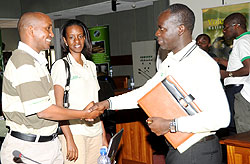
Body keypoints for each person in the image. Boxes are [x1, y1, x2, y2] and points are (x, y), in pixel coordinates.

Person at [90, 3, 230, 164]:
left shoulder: (201, 63)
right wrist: (108, 103)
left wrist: (171, 124)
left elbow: (221, 117)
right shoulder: (171, 60)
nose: (157, 33)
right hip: (178, 149)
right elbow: (146, 92)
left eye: (162, 28)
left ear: (180, 29)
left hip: (197, 152)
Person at [1, 12, 102, 164]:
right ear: (31, 30)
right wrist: (84, 113)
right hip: (29, 148)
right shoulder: (23, 62)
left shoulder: (37, 62)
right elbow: (44, 111)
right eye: (47, 28)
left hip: (47, 145)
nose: (51, 34)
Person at [51, 19, 108, 164]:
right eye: (71, 37)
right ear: (65, 40)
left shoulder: (91, 66)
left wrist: (103, 136)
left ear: (85, 38)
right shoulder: (60, 66)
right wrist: (69, 139)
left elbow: (96, 103)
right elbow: (59, 108)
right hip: (74, 133)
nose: (77, 40)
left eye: (80, 36)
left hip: (95, 132)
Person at [217, 13, 250, 134]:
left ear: (236, 26)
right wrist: (220, 61)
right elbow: (239, 64)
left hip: (238, 90)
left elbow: (247, 68)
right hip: (239, 88)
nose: (224, 31)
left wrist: (227, 74)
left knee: (240, 130)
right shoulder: (245, 40)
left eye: (226, 27)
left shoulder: (243, 41)